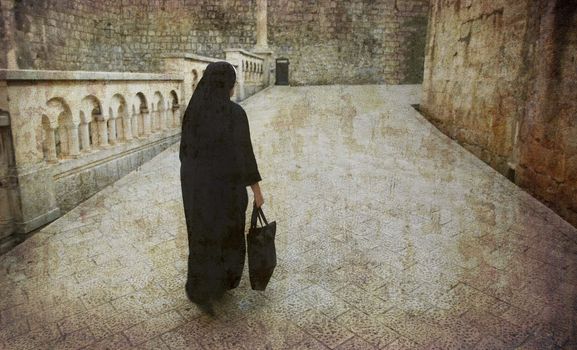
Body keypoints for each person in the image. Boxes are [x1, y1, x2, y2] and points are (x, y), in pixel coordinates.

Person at [179, 61, 264, 315]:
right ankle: (220, 283)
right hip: (227, 192)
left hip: (197, 190)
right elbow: (245, 156)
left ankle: (200, 288)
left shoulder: (193, 113)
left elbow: (184, 154)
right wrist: (257, 192)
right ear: (227, 85)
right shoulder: (235, 114)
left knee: (203, 235)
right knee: (227, 235)